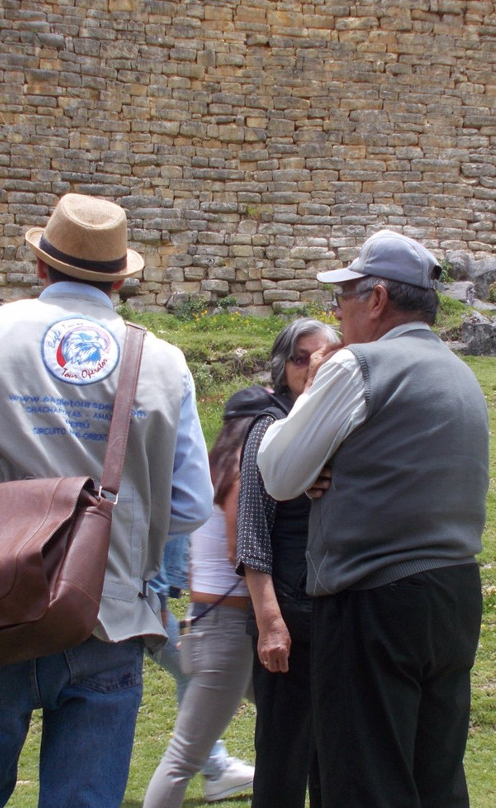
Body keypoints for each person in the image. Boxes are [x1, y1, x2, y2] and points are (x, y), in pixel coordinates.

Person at [0, 193, 213, 808]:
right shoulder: (163, 362)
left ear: (40, 267)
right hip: (106, 614)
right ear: (119, 281)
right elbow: (189, 505)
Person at [257, 230, 489, 808]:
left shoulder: (360, 364)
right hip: (454, 596)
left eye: (344, 298)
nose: (337, 313)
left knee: (364, 783)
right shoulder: (460, 373)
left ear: (377, 299)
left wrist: (311, 396)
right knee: (435, 780)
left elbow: (278, 473)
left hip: (372, 603)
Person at [142, 386, 271, 808]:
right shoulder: (238, 473)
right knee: (183, 757)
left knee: (300, 719)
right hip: (227, 629)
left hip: (217, 624)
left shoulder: (212, 470)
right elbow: (241, 552)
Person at [236, 318, 337, 808]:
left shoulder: (334, 426)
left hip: (333, 612)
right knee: (282, 750)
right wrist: (270, 623)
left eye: (325, 356)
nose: (314, 367)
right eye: (301, 357)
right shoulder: (269, 427)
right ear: (283, 369)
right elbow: (251, 532)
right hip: (288, 611)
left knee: (331, 753)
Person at [146, 536, 255, 802]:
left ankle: (216, 768)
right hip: (219, 618)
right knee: (182, 757)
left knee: (294, 708)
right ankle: (216, 769)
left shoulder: (213, 493)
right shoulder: (233, 492)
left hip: (204, 611)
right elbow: (238, 555)